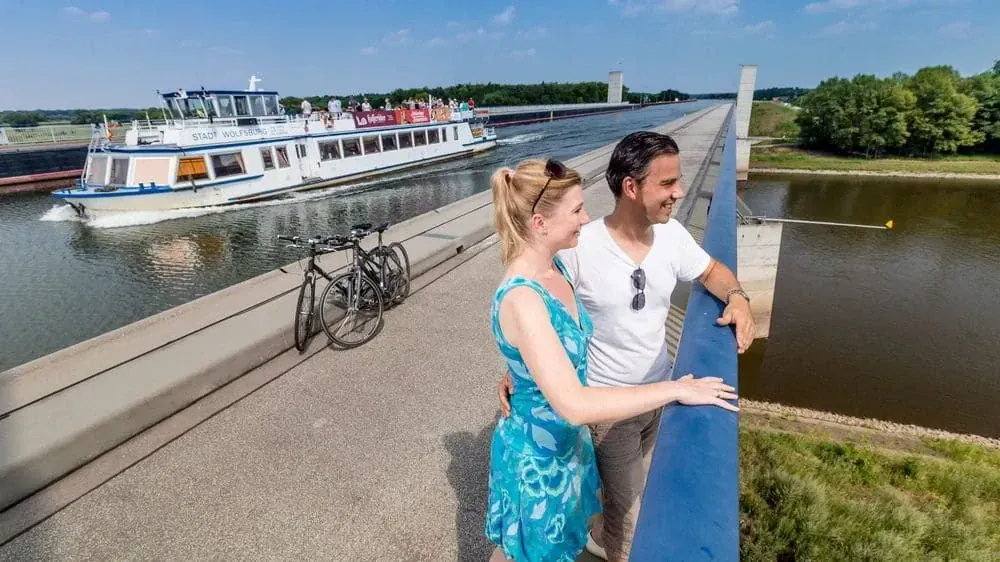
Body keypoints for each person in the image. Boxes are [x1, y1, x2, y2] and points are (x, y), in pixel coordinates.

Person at [497, 132, 756, 561]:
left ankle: (602, 529)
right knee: (631, 518)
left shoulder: (672, 236)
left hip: (656, 395)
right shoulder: (580, 249)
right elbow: (534, 311)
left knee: (633, 498)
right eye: (668, 183)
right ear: (632, 188)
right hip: (607, 411)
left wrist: (738, 297)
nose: (680, 191)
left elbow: (711, 271)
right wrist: (520, 369)